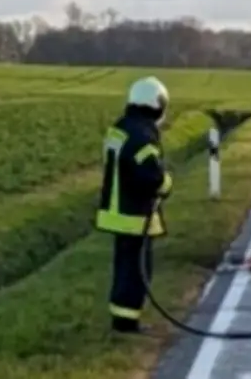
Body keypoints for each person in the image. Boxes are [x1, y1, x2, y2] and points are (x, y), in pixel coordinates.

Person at [96, 76, 173, 334]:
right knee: (138, 272)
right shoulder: (143, 135)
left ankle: (121, 319)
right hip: (134, 214)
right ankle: (128, 323)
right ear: (156, 104)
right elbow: (151, 176)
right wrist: (166, 185)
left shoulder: (121, 128)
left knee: (124, 267)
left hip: (117, 211)